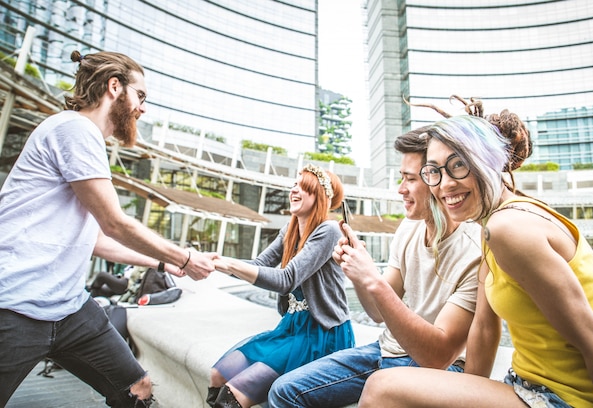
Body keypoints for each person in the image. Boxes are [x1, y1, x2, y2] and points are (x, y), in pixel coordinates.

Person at [359, 101, 593, 408]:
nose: (445, 184)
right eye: (433, 171)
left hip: (563, 399)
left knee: (381, 388)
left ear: (488, 160)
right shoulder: (492, 224)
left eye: (458, 164)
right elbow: (485, 329)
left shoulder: (509, 228)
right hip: (522, 384)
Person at [0, 50, 216, 408]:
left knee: (136, 388)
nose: (143, 108)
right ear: (115, 87)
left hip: (69, 310)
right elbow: (114, 223)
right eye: (141, 96)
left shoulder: (85, 140)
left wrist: (163, 264)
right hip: (14, 308)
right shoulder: (75, 128)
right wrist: (186, 257)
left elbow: (97, 240)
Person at [267, 129, 482, 407]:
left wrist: (373, 279)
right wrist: (359, 274)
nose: (400, 189)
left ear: (435, 179)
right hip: (385, 351)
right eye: (401, 178)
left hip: (440, 371)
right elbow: (377, 313)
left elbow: (438, 356)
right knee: (284, 391)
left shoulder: (473, 250)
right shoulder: (409, 227)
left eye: (410, 179)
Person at [205, 164, 355, 408]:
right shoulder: (290, 229)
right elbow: (258, 264)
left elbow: (286, 280)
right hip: (291, 328)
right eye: (294, 185)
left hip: (322, 334)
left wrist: (229, 263)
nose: (294, 191)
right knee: (217, 375)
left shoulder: (328, 230)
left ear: (320, 196)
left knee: (234, 393)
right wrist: (214, 262)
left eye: (303, 187)